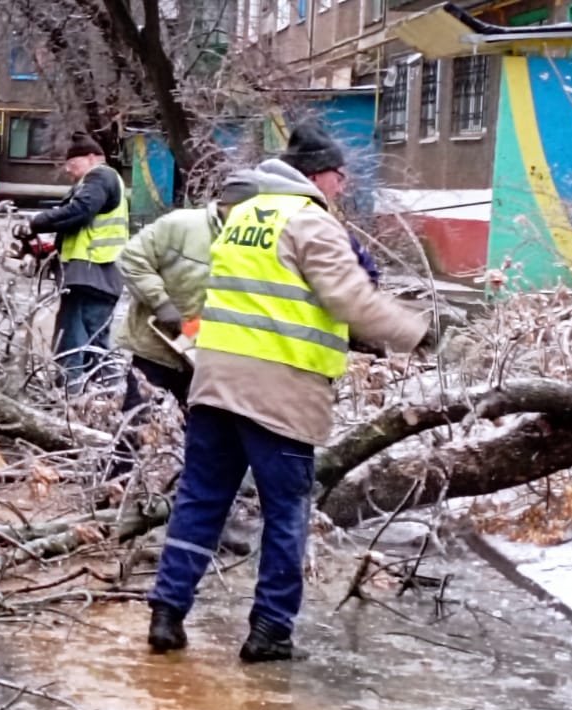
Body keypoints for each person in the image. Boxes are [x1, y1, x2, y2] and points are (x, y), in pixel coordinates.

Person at [145, 125, 431, 663]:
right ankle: (271, 631)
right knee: (286, 512)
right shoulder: (311, 222)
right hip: (280, 390)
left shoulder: (241, 219)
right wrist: (420, 333)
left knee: (201, 500)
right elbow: (352, 300)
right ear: (319, 173)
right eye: (340, 177)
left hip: (214, 383)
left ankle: (166, 612)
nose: (342, 188)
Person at [103, 172, 258, 482]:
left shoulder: (253, 243)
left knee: (206, 429)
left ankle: (196, 492)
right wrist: (162, 304)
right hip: (155, 346)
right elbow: (132, 258)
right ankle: (114, 488)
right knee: (137, 419)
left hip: (204, 354)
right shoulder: (182, 225)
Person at [14, 132, 129, 393]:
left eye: (72, 164)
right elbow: (81, 225)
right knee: (95, 344)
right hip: (101, 277)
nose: (68, 170)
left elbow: (81, 210)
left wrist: (35, 222)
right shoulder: (108, 181)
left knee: (72, 343)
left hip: (88, 274)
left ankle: (71, 396)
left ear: (91, 158)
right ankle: (106, 395)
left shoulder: (100, 176)